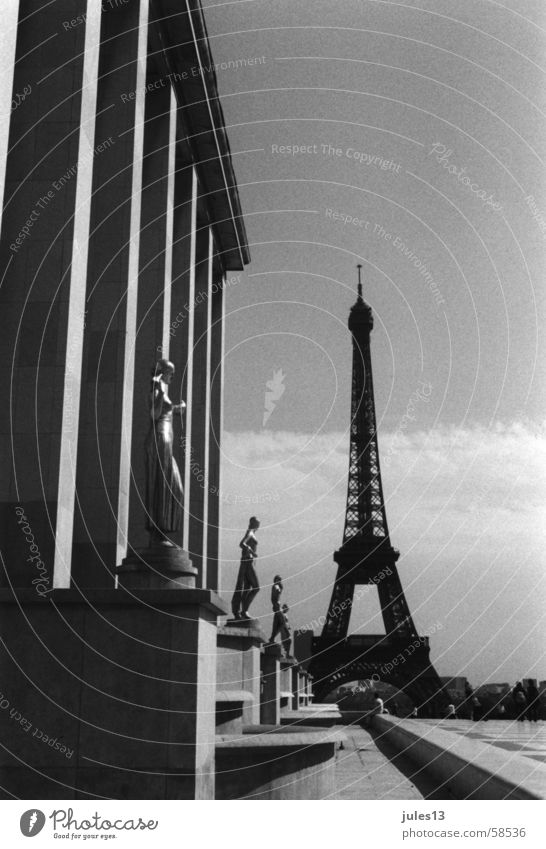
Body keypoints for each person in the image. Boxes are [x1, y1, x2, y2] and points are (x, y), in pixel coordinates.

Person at [145, 359, 185, 545]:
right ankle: (158, 532)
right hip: (160, 439)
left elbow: (166, 411)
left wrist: (178, 409)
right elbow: (154, 413)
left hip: (166, 440)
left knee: (175, 488)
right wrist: (159, 390)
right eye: (170, 373)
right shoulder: (156, 388)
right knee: (162, 485)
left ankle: (163, 531)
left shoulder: (161, 388)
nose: (173, 376)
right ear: (163, 373)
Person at [231, 517, 260, 619]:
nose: (258, 526)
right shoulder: (250, 532)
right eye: (257, 524)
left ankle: (242, 611)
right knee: (256, 587)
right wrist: (251, 551)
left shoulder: (252, 533)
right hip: (247, 561)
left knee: (246, 587)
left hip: (249, 561)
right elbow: (242, 543)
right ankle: (244, 610)